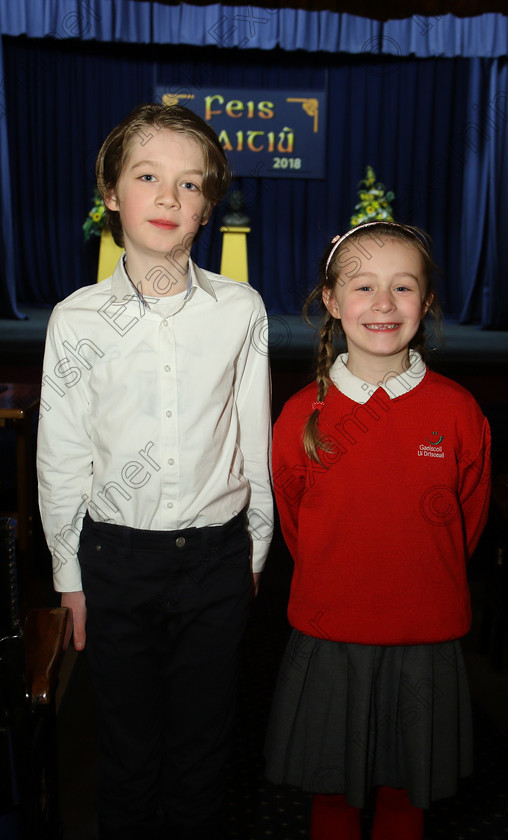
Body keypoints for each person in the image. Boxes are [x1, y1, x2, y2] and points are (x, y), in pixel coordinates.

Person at [37, 103, 273, 840]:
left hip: (215, 560)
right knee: (128, 757)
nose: (170, 198)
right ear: (111, 192)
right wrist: (70, 578)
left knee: (205, 756)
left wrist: (254, 553)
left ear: (208, 205)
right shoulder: (76, 320)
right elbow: (63, 453)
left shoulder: (239, 311)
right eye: (148, 177)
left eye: (191, 184)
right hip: (116, 559)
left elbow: (251, 442)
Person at [265, 221, 491, 840]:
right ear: (333, 304)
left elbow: (464, 525)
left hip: (425, 638)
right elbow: (295, 525)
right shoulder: (297, 418)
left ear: (427, 302)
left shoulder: (457, 410)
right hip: (331, 637)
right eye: (364, 287)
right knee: (331, 796)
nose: (384, 305)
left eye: (403, 287)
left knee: (404, 798)